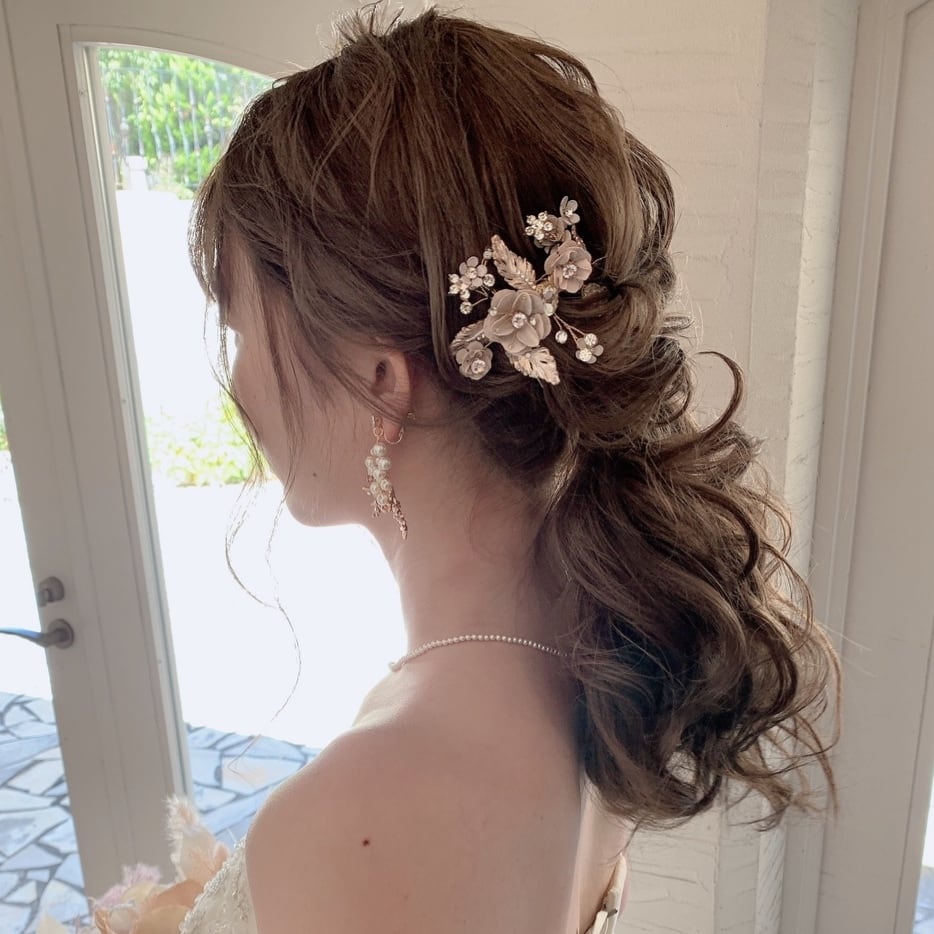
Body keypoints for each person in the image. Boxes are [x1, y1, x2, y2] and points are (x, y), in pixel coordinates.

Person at [180, 4, 841, 932]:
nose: (239, 381)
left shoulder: (358, 817)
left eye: (242, 330)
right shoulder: (600, 660)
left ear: (382, 382)